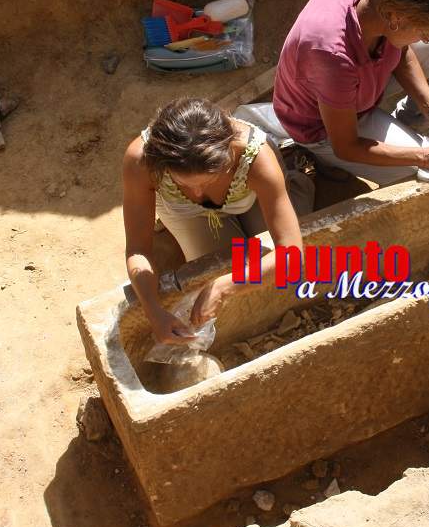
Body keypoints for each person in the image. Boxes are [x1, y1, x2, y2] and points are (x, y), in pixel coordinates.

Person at [271, 0, 429, 184]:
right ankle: (322, 159)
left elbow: (401, 50)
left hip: (359, 84)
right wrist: (424, 156)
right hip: (324, 127)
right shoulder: (331, 55)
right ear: (394, 18)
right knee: (419, 175)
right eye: (425, 33)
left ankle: (408, 129)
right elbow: (346, 147)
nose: (425, 40)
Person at [122, 98, 313, 344]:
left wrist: (224, 287)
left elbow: (291, 255)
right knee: (225, 262)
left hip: (248, 195)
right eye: (185, 184)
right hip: (183, 211)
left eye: (208, 181)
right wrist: (153, 310)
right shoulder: (141, 161)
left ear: (228, 157)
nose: (199, 194)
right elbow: (137, 249)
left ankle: (298, 182)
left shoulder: (255, 156)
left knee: (263, 264)